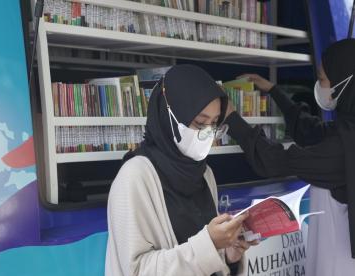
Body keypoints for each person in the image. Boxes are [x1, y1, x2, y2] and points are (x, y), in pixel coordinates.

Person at [224, 39, 355, 276]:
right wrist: (274, 91)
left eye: (323, 79)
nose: (320, 85)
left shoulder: (344, 148)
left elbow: (272, 161)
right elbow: (313, 131)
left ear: (345, 84)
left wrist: (231, 117)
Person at [105, 64, 259, 276]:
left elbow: (205, 259)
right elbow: (137, 270)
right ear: (170, 116)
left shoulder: (204, 174)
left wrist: (228, 254)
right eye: (199, 123)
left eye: (214, 124)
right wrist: (209, 244)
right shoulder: (135, 176)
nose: (207, 134)